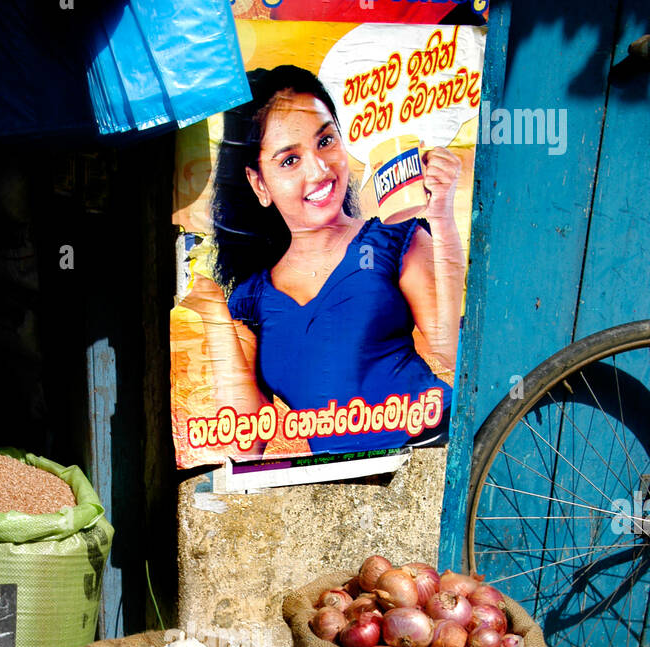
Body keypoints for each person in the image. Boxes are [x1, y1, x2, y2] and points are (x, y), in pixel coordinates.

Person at [182, 65, 465, 456]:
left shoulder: (394, 239)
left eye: (326, 140)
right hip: (344, 490)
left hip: (436, 449)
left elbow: (452, 349)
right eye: (289, 161)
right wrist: (213, 314)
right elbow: (243, 445)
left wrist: (442, 220)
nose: (319, 169)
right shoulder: (250, 299)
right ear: (259, 184)